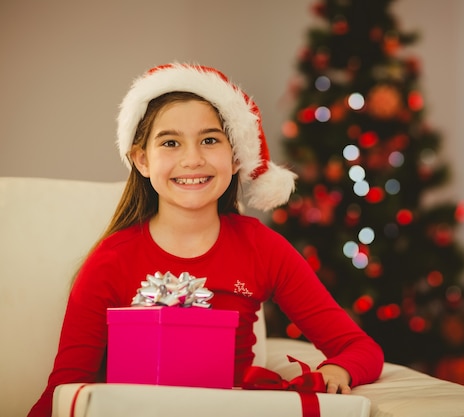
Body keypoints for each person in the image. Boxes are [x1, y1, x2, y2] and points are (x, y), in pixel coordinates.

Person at [28, 63, 384, 417]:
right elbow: (64, 390)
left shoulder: (262, 248)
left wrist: (337, 370)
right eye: (170, 143)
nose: (192, 159)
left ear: (234, 157)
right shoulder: (112, 260)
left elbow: (359, 348)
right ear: (142, 160)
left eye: (210, 140)